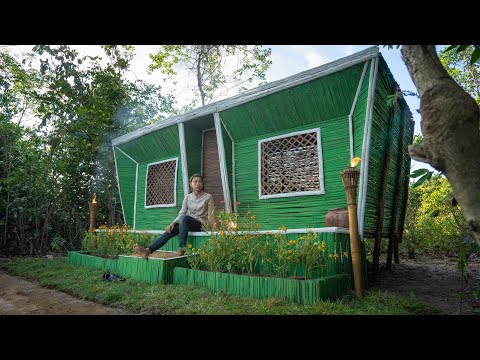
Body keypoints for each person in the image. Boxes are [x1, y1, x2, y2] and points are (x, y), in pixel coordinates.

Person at [133, 173, 215, 259]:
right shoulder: (187, 197)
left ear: (202, 184)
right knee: (170, 230)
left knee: (184, 219)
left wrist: (212, 231)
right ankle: (148, 251)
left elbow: (211, 215)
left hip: (201, 224)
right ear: (191, 184)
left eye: (200, 182)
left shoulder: (208, 197)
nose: (197, 184)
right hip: (187, 223)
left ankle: (182, 248)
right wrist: (173, 223)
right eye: (195, 182)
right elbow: (182, 212)